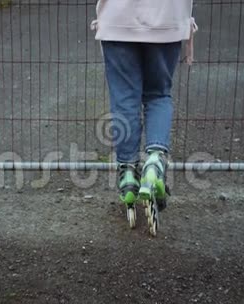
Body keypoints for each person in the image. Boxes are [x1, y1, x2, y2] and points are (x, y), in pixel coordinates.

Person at [92, 0, 197, 233]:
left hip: (117, 19)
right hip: (167, 18)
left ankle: (128, 173)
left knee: (124, 100)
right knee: (158, 95)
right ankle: (154, 163)